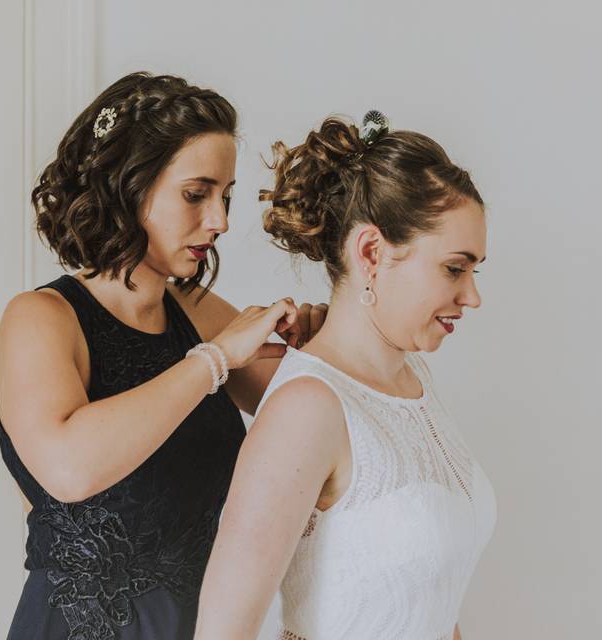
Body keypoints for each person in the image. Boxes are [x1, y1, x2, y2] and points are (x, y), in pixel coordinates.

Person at [0, 72, 327, 639]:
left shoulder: (194, 308)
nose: (219, 221)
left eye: (225, 197)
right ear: (127, 185)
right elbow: (69, 468)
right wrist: (216, 358)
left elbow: (315, 420)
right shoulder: (40, 317)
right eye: (196, 195)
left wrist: (318, 339)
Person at [194, 112, 496, 640]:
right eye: (455, 268)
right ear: (372, 253)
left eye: (475, 271)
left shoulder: (415, 380)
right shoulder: (308, 406)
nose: (472, 296)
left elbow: (428, 599)